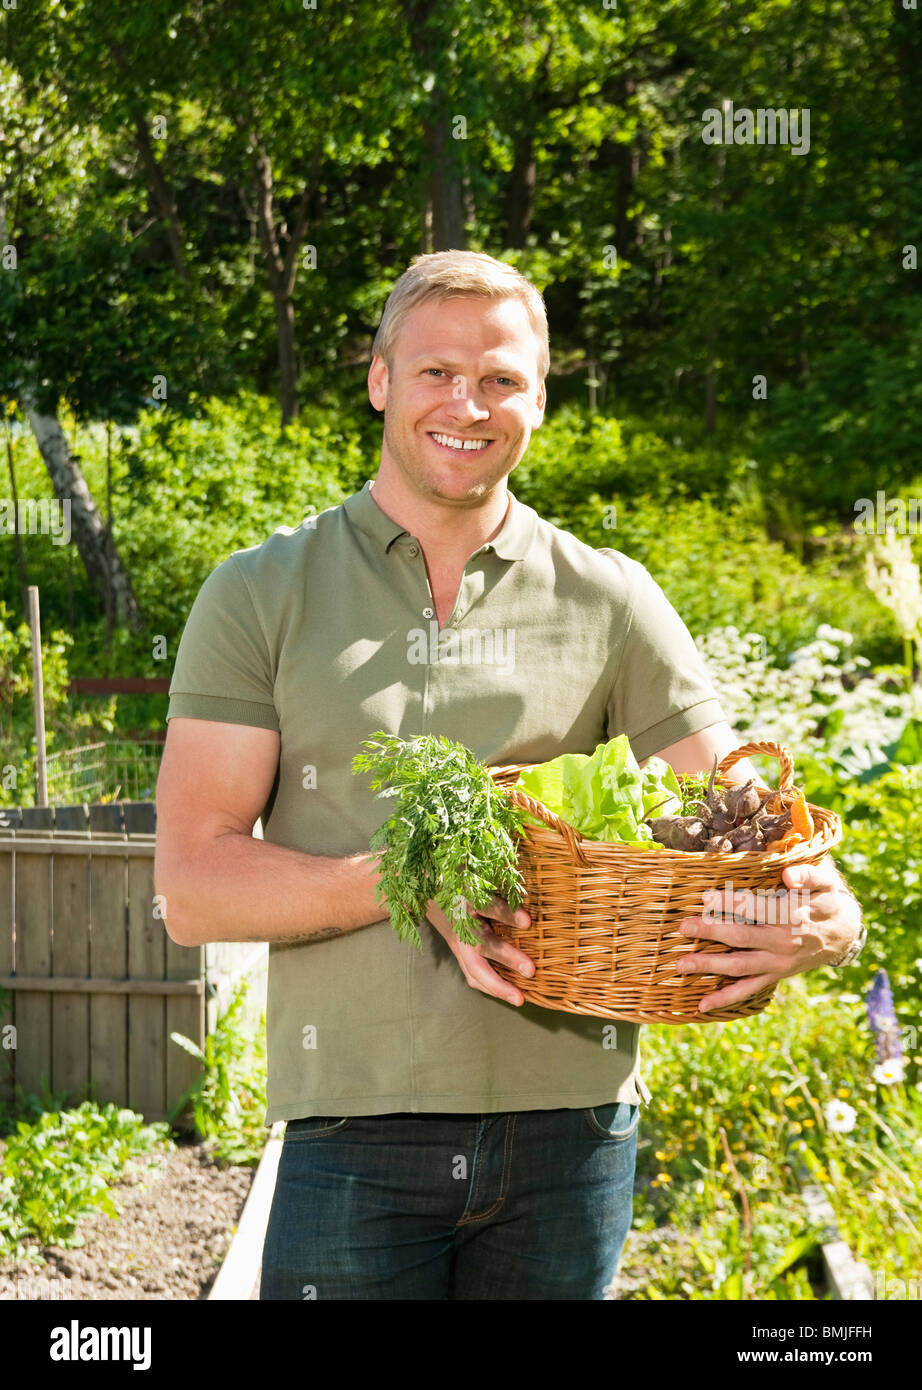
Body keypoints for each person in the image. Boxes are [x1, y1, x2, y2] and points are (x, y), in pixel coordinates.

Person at [155, 250, 864, 1301]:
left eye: (500, 379)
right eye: (437, 371)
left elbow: (753, 825)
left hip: (572, 1137)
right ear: (380, 380)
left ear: (538, 399)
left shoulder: (610, 599)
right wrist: (410, 878)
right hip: (354, 1134)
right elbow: (194, 889)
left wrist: (826, 924)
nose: (467, 404)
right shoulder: (261, 592)